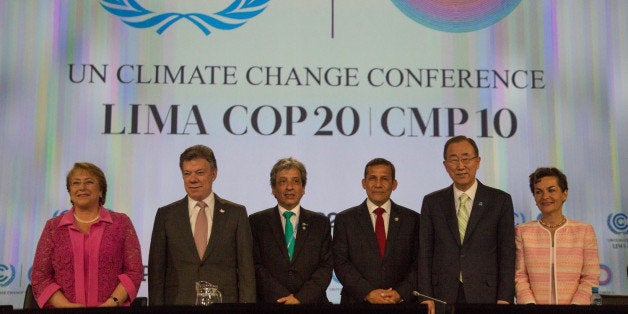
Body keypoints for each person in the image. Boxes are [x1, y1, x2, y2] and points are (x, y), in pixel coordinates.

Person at [418, 136, 515, 314]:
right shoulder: (432, 202)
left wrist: (505, 297)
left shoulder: (499, 200)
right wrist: (426, 295)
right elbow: (424, 252)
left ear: (477, 162)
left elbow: (507, 252)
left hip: (486, 294)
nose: (460, 166)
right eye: (454, 160)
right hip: (442, 295)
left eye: (466, 158)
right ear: (445, 165)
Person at [148, 145, 255, 304]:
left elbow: (246, 271)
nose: (192, 179)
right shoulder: (166, 216)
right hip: (178, 304)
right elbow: (156, 273)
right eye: (187, 173)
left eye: (199, 173)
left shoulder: (236, 214)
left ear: (214, 174)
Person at [31, 162, 143, 308]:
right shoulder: (53, 228)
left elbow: (133, 272)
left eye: (89, 182)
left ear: (101, 190)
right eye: (75, 183)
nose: (82, 187)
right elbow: (40, 276)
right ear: (70, 192)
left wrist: (112, 303)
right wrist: (65, 306)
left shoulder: (121, 223)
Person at [333, 158, 419, 304]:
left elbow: (419, 263)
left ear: (394, 184)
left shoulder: (413, 219)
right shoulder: (345, 219)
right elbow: (341, 263)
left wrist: (401, 293)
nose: (378, 184)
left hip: (400, 303)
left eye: (384, 179)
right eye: (372, 178)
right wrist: (367, 292)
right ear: (363, 183)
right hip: (357, 302)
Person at [249, 157, 333, 304]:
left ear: (303, 188)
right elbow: (255, 266)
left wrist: (300, 298)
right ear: (273, 189)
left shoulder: (320, 223)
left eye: (295, 181)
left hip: (311, 303)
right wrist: (283, 298)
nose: (289, 187)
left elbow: (325, 267)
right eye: (282, 181)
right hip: (270, 303)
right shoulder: (257, 222)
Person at [515, 167, 600, 304]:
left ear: (564, 194)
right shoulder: (522, 231)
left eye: (551, 190)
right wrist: (529, 306)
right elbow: (519, 276)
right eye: (538, 192)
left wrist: (576, 307)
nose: (545, 196)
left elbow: (590, 277)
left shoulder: (584, 231)